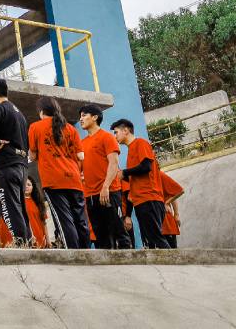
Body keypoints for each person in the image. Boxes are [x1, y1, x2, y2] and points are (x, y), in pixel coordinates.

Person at [29, 97, 90, 249]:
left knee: (64, 219)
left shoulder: (35, 127)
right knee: (80, 219)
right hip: (74, 179)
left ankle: (73, 254)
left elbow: (33, 156)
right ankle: (86, 252)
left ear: (42, 112)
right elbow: (80, 156)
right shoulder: (70, 128)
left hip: (53, 180)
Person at [0, 77, 31, 244]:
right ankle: (28, 244)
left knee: (9, 209)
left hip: (6, 167)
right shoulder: (19, 114)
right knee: (20, 209)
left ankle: (21, 245)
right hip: (21, 167)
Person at [111, 119, 171, 249]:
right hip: (140, 200)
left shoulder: (141, 143)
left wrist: (124, 172)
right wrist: (120, 175)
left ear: (126, 130)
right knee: (150, 240)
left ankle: (172, 266)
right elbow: (135, 176)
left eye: (116, 132)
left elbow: (146, 167)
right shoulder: (130, 150)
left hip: (149, 198)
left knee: (155, 237)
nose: (115, 137)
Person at [78, 105, 129, 249]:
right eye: (80, 116)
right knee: (101, 237)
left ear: (95, 117)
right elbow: (80, 169)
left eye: (84, 115)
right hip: (91, 196)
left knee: (119, 232)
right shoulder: (82, 144)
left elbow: (114, 164)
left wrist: (105, 186)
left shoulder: (107, 137)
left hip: (109, 192)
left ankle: (132, 267)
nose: (80, 119)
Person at [158, 171, 185, 248]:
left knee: (172, 250)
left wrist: (176, 214)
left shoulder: (160, 175)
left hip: (166, 222)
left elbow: (175, 192)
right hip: (154, 223)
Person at [24, 175, 51, 248]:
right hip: (28, 239)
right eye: (24, 184)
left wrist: (48, 240)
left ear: (33, 187)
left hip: (40, 238)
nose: (26, 186)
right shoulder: (19, 203)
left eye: (29, 185)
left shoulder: (38, 203)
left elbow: (44, 223)